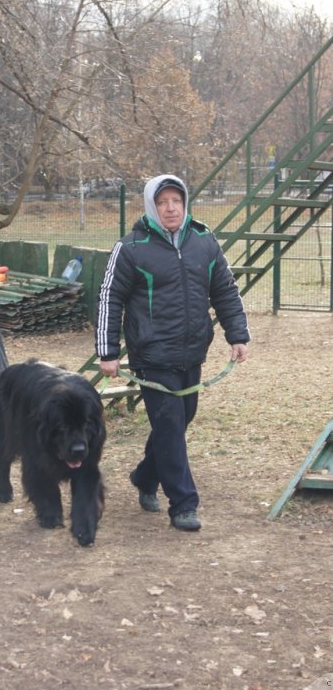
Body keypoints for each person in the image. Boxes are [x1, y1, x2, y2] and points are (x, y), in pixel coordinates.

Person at [95, 175, 250, 531]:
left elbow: (225, 289)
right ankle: (183, 504)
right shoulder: (131, 247)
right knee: (168, 426)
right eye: (162, 201)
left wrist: (237, 334)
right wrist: (107, 351)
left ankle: (146, 477)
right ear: (152, 205)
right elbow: (109, 298)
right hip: (151, 356)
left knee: (179, 422)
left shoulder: (204, 241)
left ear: (185, 203)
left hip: (193, 351)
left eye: (176, 201)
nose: (170, 208)